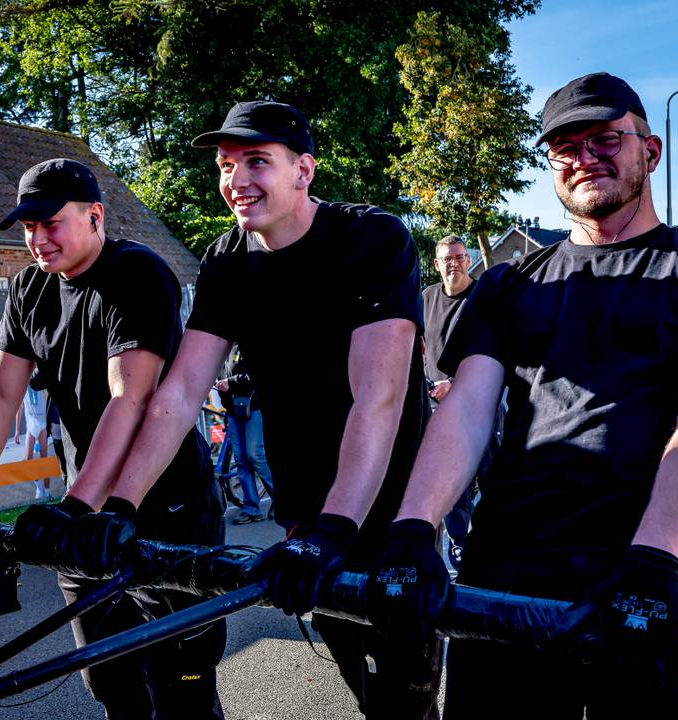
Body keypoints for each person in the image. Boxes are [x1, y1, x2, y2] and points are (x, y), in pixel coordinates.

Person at [368, 73, 678, 718]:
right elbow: (467, 407)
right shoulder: (508, 285)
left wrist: (655, 561)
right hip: (516, 553)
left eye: (604, 140)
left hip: (670, 552)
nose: (584, 159)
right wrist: (412, 528)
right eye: (565, 148)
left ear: (650, 152)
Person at [60, 101, 438, 718]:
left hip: (390, 513)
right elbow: (179, 394)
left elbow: (380, 395)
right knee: (361, 680)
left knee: (404, 700)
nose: (236, 180)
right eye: (226, 164)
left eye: (256, 161)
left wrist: (333, 530)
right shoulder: (228, 260)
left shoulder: (372, 238)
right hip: (306, 517)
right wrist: (119, 505)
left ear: (303, 170)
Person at [0, 158, 226, 719]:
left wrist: (78, 507)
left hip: (164, 504)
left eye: (50, 223)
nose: (37, 240)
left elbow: (130, 396)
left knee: (182, 688)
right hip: (85, 511)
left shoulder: (138, 273)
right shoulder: (30, 287)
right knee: (111, 682)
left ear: (94, 215)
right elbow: (1, 391)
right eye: (29, 228)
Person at [421, 235, 490, 570]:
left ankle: (495, 544)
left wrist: (459, 383)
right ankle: (460, 546)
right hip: (438, 408)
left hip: (481, 405)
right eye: (447, 258)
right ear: (437, 264)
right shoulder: (426, 298)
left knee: (490, 479)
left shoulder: (483, 297)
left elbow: (498, 352)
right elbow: (416, 346)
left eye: (459, 257)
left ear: (468, 261)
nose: (454, 263)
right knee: (451, 485)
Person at [213, 345, 273, 524]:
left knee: (255, 456)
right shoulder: (219, 351)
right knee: (241, 461)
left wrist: (229, 382)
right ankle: (251, 509)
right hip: (233, 410)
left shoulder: (244, 347)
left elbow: (256, 375)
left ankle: (284, 500)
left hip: (253, 408)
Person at [21, 380, 52, 499]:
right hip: (31, 423)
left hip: (42, 422)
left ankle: (48, 491)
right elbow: (20, 406)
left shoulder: (39, 378)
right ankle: (40, 487)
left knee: (44, 458)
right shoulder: (22, 382)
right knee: (28, 459)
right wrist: (18, 431)